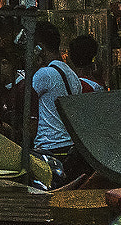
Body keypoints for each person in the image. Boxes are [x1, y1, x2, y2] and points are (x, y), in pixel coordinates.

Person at [16, 22, 87, 184]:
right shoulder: (71, 74)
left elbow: (22, 98)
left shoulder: (44, 74)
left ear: (39, 48)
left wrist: (31, 66)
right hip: (68, 146)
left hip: (49, 147)